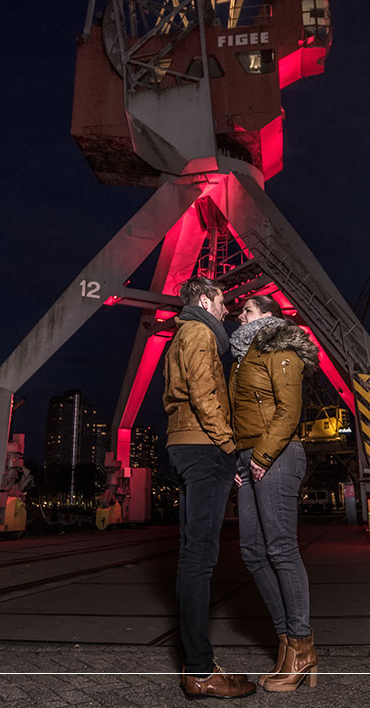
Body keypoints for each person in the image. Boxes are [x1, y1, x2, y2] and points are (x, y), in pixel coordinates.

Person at [163, 276, 256, 700]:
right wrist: (230, 447)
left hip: (185, 445)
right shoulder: (200, 331)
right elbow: (203, 395)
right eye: (223, 302)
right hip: (203, 448)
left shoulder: (181, 333)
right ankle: (199, 671)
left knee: (192, 554)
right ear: (205, 299)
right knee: (200, 559)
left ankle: (196, 664)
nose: (227, 310)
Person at [228, 294, 320, 692]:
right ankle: (284, 643)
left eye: (247, 310)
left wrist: (262, 455)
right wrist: (238, 460)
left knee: (281, 549)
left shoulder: (279, 346)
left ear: (267, 314)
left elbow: (289, 409)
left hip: (277, 455)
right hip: (249, 457)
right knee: (252, 550)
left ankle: (302, 649)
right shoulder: (244, 354)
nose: (239, 315)